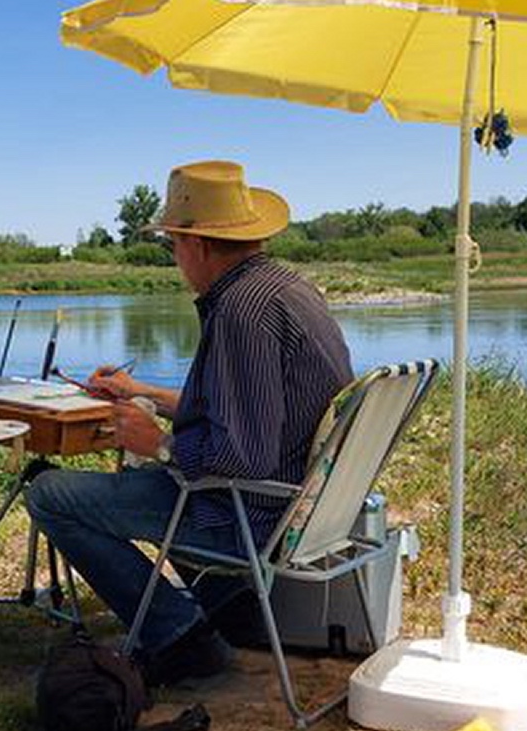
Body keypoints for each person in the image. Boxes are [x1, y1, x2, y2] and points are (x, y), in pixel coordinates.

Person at [26, 160, 353, 686]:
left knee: (49, 494)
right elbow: (241, 410)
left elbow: (244, 457)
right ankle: (229, 606)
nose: (175, 258)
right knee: (147, 478)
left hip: (247, 516)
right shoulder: (287, 290)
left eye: (173, 244)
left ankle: (178, 638)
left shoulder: (240, 313)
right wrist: (142, 393)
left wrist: (160, 445)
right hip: (299, 505)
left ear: (196, 245)